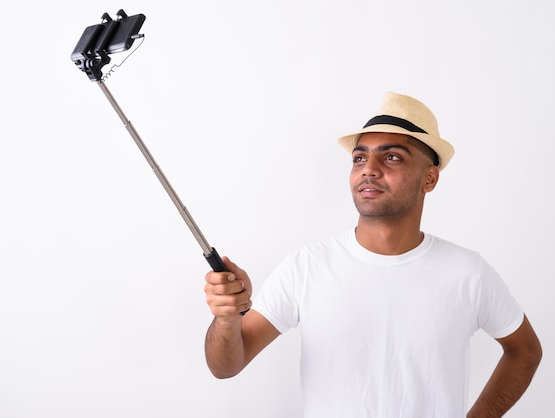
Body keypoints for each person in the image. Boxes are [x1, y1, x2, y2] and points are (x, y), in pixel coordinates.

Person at [203, 92, 542, 417]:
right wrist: (227, 319)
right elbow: (226, 365)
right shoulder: (306, 267)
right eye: (360, 158)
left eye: (392, 157)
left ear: (430, 178)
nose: (369, 168)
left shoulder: (468, 272)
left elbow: (525, 351)